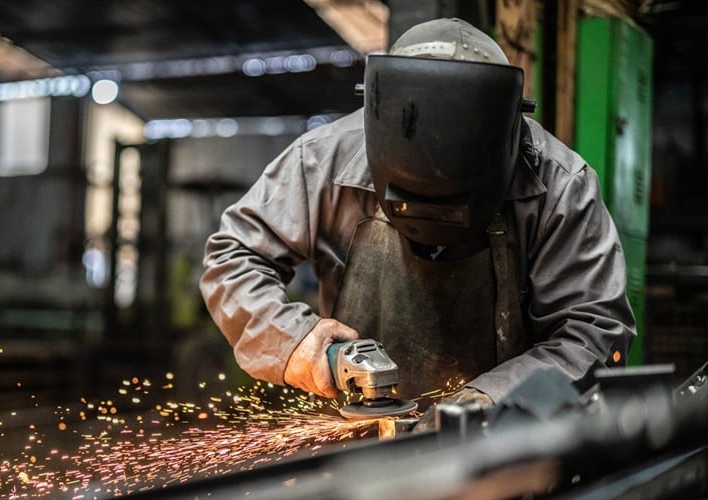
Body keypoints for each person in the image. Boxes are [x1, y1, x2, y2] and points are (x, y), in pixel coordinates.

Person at [198, 17, 636, 430]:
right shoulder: (323, 162)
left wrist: (490, 402)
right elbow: (232, 259)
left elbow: (593, 331)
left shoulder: (560, 185)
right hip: (357, 441)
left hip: (500, 444)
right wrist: (308, 348)